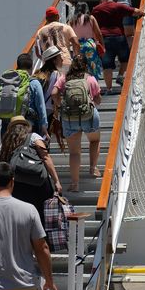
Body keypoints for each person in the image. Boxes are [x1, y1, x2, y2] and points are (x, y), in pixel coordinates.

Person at [51, 55, 103, 192]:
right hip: (89, 116)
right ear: (86, 65)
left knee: (74, 152)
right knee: (95, 141)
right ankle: (93, 169)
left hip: (69, 118)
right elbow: (98, 100)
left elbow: (53, 93)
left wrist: (60, 104)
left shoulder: (64, 78)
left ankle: (75, 184)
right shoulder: (90, 79)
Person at [0, 115, 62, 225]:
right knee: (41, 214)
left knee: (22, 215)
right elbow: (46, 158)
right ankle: (41, 238)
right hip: (38, 182)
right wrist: (56, 181)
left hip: (17, 184)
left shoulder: (7, 141)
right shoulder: (33, 137)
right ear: (26, 127)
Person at [92, 0, 144, 93]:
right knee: (125, 60)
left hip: (104, 39)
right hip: (119, 37)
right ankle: (120, 75)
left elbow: (93, 24)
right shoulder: (119, 6)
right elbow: (137, 12)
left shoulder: (97, 9)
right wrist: (142, 12)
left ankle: (109, 88)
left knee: (107, 66)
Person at [0, 53, 48, 138]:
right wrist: (44, 125)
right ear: (31, 67)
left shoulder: (9, 82)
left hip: (8, 122)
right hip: (27, 124)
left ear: (18, 66)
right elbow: (41, 106)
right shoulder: (34, 83)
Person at [34, 46, 64, 150]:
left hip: (36, 110)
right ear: (54, 60)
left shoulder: (38, 73)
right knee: (45, 139)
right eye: (60, 57)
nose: (62, 59)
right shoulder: (56, 74)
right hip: (49, 111)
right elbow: (54, 93)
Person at [35, 6, 80, 73]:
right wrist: (76, 58)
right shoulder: (67, 27)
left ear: (46, 18)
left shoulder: (39, 32)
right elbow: (76, 43)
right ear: (58, 16)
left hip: (48, 64)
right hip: (64, 61)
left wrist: (43, 59)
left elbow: (38, 52)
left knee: (52, 83)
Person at [69, 2, 105, 80]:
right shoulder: (90, 18)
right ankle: (94, 85)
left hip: (77, 46)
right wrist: (103, 45)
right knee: (93, 67)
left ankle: (83, 85)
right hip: (90, 45)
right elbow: (98, 33)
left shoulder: (72, 20)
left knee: (80, 67)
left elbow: (70, 36)